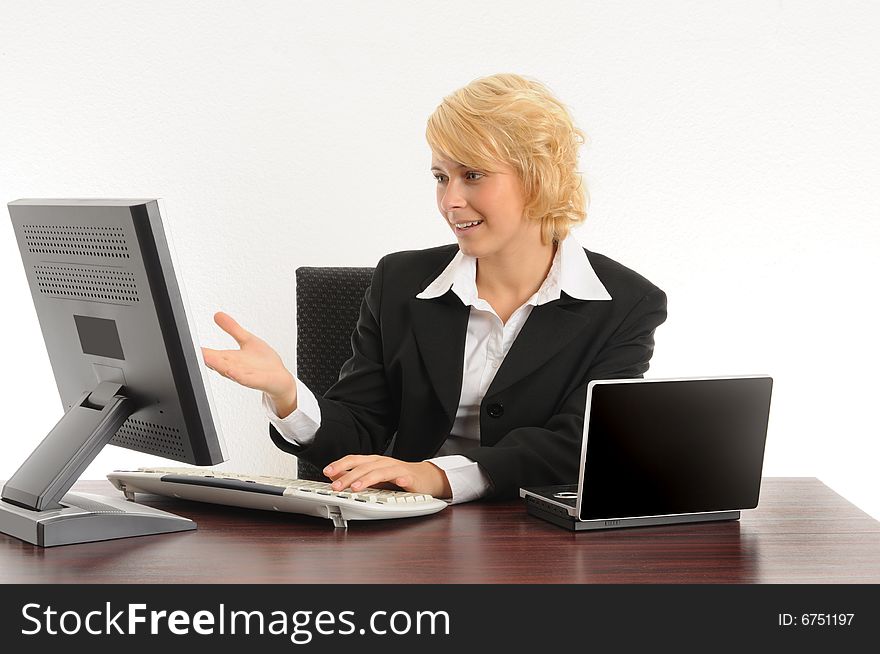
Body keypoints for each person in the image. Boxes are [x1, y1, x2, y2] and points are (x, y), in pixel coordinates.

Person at [202, 73, 667, 503]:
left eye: (474, 175)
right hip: (408, 533)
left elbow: (578, 445)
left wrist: (438, 475)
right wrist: (287, 393)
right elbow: (359, 433)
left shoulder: (626, 304)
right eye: (441, 177)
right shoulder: (400, 283)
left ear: (539, 176)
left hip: (536, 537)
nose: (450, 201)